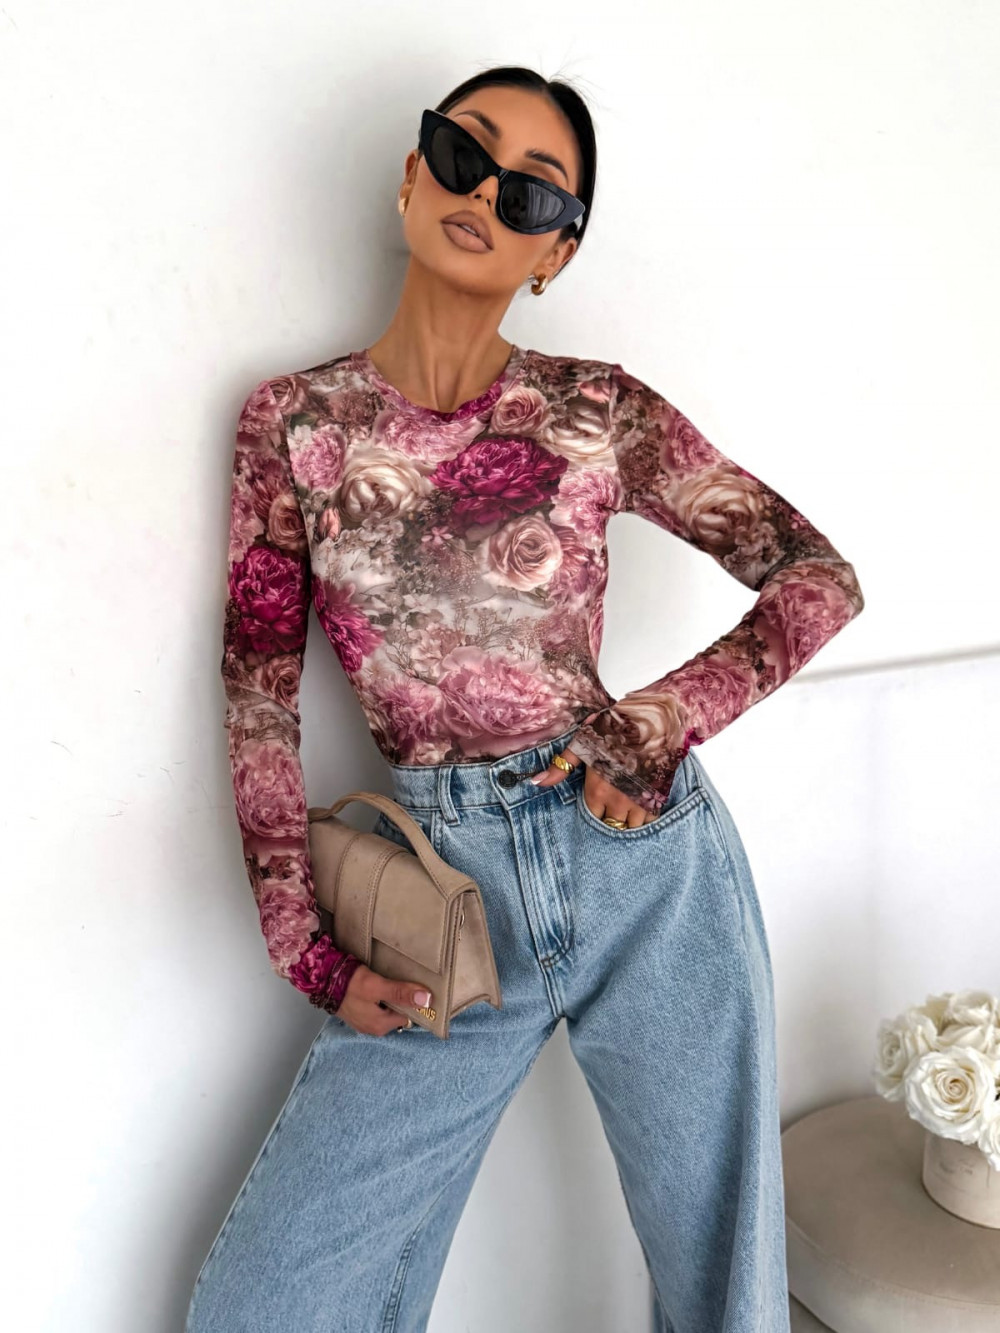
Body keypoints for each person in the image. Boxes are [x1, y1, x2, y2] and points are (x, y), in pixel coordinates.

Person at [186, 65, 864, 1333]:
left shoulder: (595, 410)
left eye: (531, 190)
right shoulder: (294, 424)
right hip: (441, 900)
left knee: (723, 1287)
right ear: (411, 175)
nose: (484, 193)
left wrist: (654, 724)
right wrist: (305, 948)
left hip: (642, 865)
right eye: (463, 153)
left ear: (556, 251)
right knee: (266, 1306)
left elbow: (817, 578)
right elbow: (258, 690)